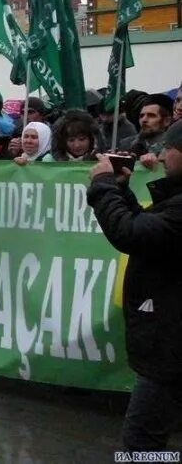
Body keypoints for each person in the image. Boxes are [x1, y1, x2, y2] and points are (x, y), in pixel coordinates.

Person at [86, 120, 182, 454]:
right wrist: (122, 190)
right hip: (168, 344)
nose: (164, 155)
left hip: (170, 349)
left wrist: (102, 185)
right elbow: (149, 228)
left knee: (142, 443)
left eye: (169, 148)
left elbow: (131, 234)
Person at [119, 94, 173, 160]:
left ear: (166, 121)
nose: (144, 120)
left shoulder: (174, 148)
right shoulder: (126, 144)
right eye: (141, 116)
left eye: (151, 115)